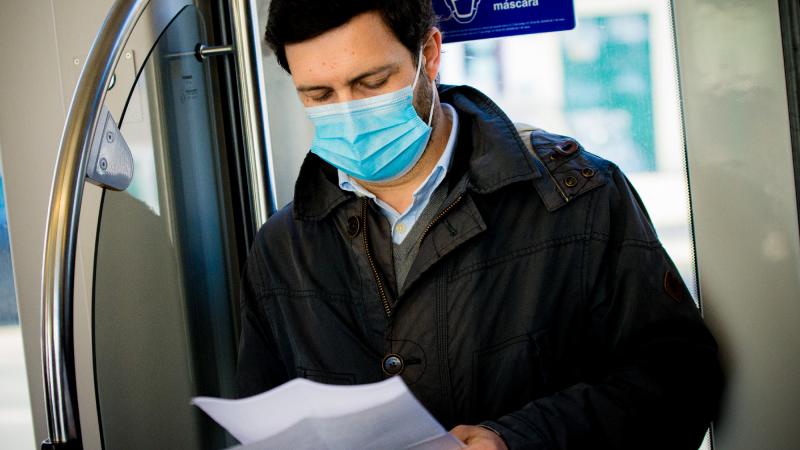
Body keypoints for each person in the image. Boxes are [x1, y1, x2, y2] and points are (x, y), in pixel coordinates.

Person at [236, 1, 724, 449]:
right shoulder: (283, 249)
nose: (348, 111)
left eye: (371, 83)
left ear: (428, 54)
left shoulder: (578, 199)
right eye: (319, 94)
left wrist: (516, 439)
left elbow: (680, 381)